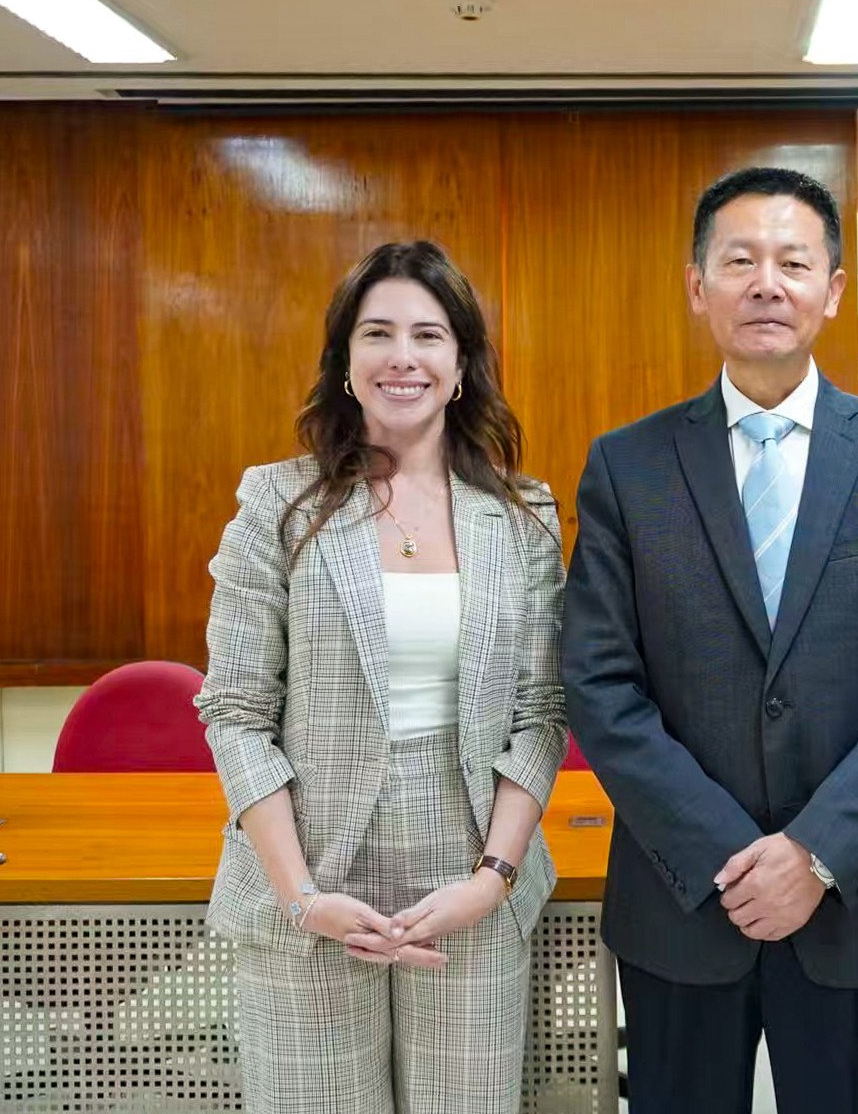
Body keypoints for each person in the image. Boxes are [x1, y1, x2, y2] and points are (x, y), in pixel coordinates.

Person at [562, 166, 858, 1113]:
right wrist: (724, 849)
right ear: (696, 284)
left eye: (794, 262)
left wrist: (815, 853)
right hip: (682, 896)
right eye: (739, 259)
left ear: (834, 290)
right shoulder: (629, 467)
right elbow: (600, 682)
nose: (766, 283)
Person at [196, 240, 567, 1112]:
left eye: (430, 335)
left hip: (472, 887)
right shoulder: (276, 506)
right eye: (379, 333)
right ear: (345, 362)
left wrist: (491, 879)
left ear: (463, 365)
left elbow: (543, 713)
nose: (404, 356)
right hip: (311, 886)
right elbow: (236, 712)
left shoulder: (522, 517)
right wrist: (302, 897)